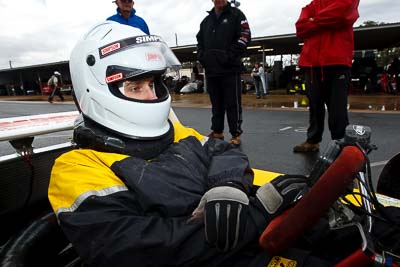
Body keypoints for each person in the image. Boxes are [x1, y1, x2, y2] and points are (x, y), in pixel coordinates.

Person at [48, 22, 311, 267]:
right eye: (135, 87)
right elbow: (138, 249)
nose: (152, 96)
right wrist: (257, 213)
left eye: (153, 83)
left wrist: (228, 185)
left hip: (243, 245)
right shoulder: (76, 168)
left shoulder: (174, 132)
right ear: (94, 92)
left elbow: (223, 150)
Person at [293, 0, 360, 153]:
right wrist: (325, 20)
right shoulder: (312, 5)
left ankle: (341, 143)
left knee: (337, 107)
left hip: (337, 62)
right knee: (315, 104)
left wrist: (313, 20)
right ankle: (313, 141)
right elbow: (300, 28)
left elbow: (342, 14)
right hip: (312, 63)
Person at [196, 0, 251, 146]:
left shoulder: (236, 15)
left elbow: (245, 36)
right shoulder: (206, 21)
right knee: (216, 103)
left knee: (233, 103)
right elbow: (199, 42)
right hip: (212, 70)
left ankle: (235, 134)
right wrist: (202, 57)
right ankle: (217, 131)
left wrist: (230, 56)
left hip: (230, 68)